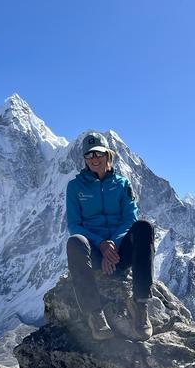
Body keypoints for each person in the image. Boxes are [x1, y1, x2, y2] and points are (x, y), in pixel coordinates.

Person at [65, 132, 155, 341]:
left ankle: (140, 303)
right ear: (85, 159)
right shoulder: (75, 187)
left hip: (119, 249)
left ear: (108, 155)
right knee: (75, 242)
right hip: (95, 253)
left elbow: (130, 218)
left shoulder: (122, 184)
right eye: (89, 155)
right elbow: (74, 224)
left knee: (144, 227)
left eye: (99, 153)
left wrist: (113, 243)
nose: (94, 158)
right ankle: (95, 313)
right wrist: (101, 245)